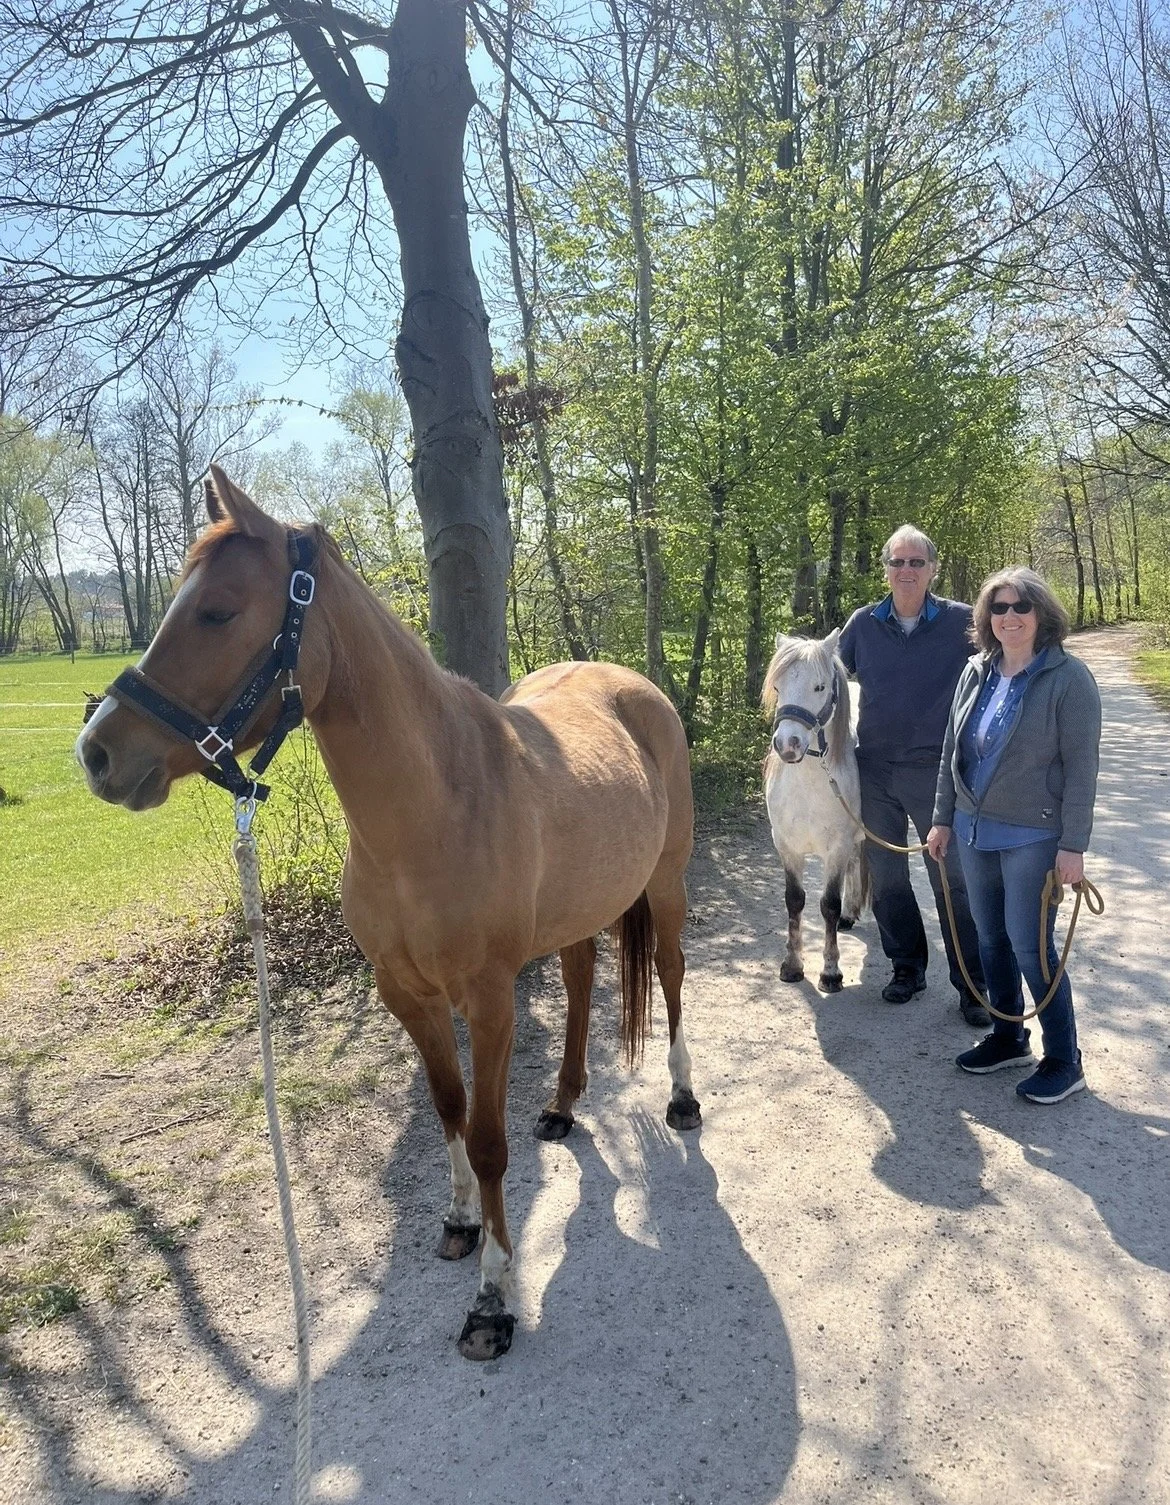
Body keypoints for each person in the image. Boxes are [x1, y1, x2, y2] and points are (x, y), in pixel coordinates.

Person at [926, 567, 1101, 1104]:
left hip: (1034, 834)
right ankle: (1008, 1037)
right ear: (987, 617)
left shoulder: (1069, 679)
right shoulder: (976, 671)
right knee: (989, 938)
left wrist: (1073, 846)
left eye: (1021, 606)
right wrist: (942, 818)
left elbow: (1082, 769)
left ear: (1042, 614)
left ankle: (1064, 1060)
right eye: (998, 607)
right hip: (973, 831)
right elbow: (951, 750)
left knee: (1031, 946)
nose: (1009, 616)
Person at [839, 526, 990, 1026]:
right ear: (885, 569)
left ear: (933, 569)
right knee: (886, 878)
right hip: (875, 771)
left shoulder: (963, 623)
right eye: (898, 562)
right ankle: (907, 968)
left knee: (952, 880)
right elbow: (828, 681)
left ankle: (973, 986)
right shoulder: (862, 625)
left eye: (916, 562)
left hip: (937, 772)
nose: (907, 570)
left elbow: (1002, 673)